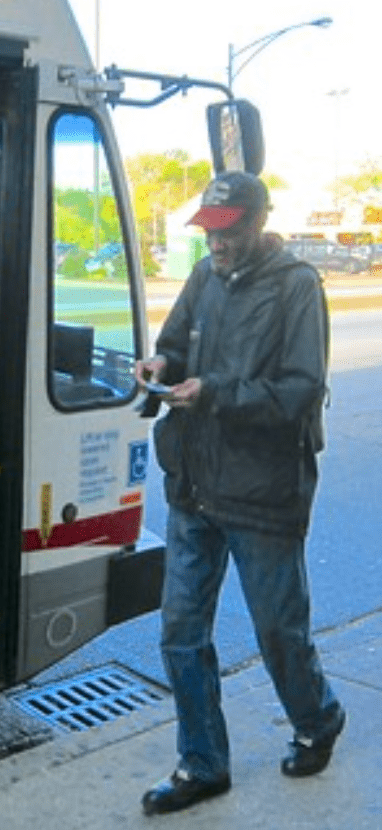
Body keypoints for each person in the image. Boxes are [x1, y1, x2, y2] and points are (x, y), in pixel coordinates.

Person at [135, 171, 345, 816]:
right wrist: (162, 366)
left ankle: (318, 716)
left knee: (278, 629)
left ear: (258, 223)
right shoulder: (202, 278)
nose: (216, 245)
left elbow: (299, 391)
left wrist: (216, 391)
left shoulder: (297, 287)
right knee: (179, 632)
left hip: (263, 492)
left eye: (228, 232)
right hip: (194, 485)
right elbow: (174, 345)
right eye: (209, 232)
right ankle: (203, 763)